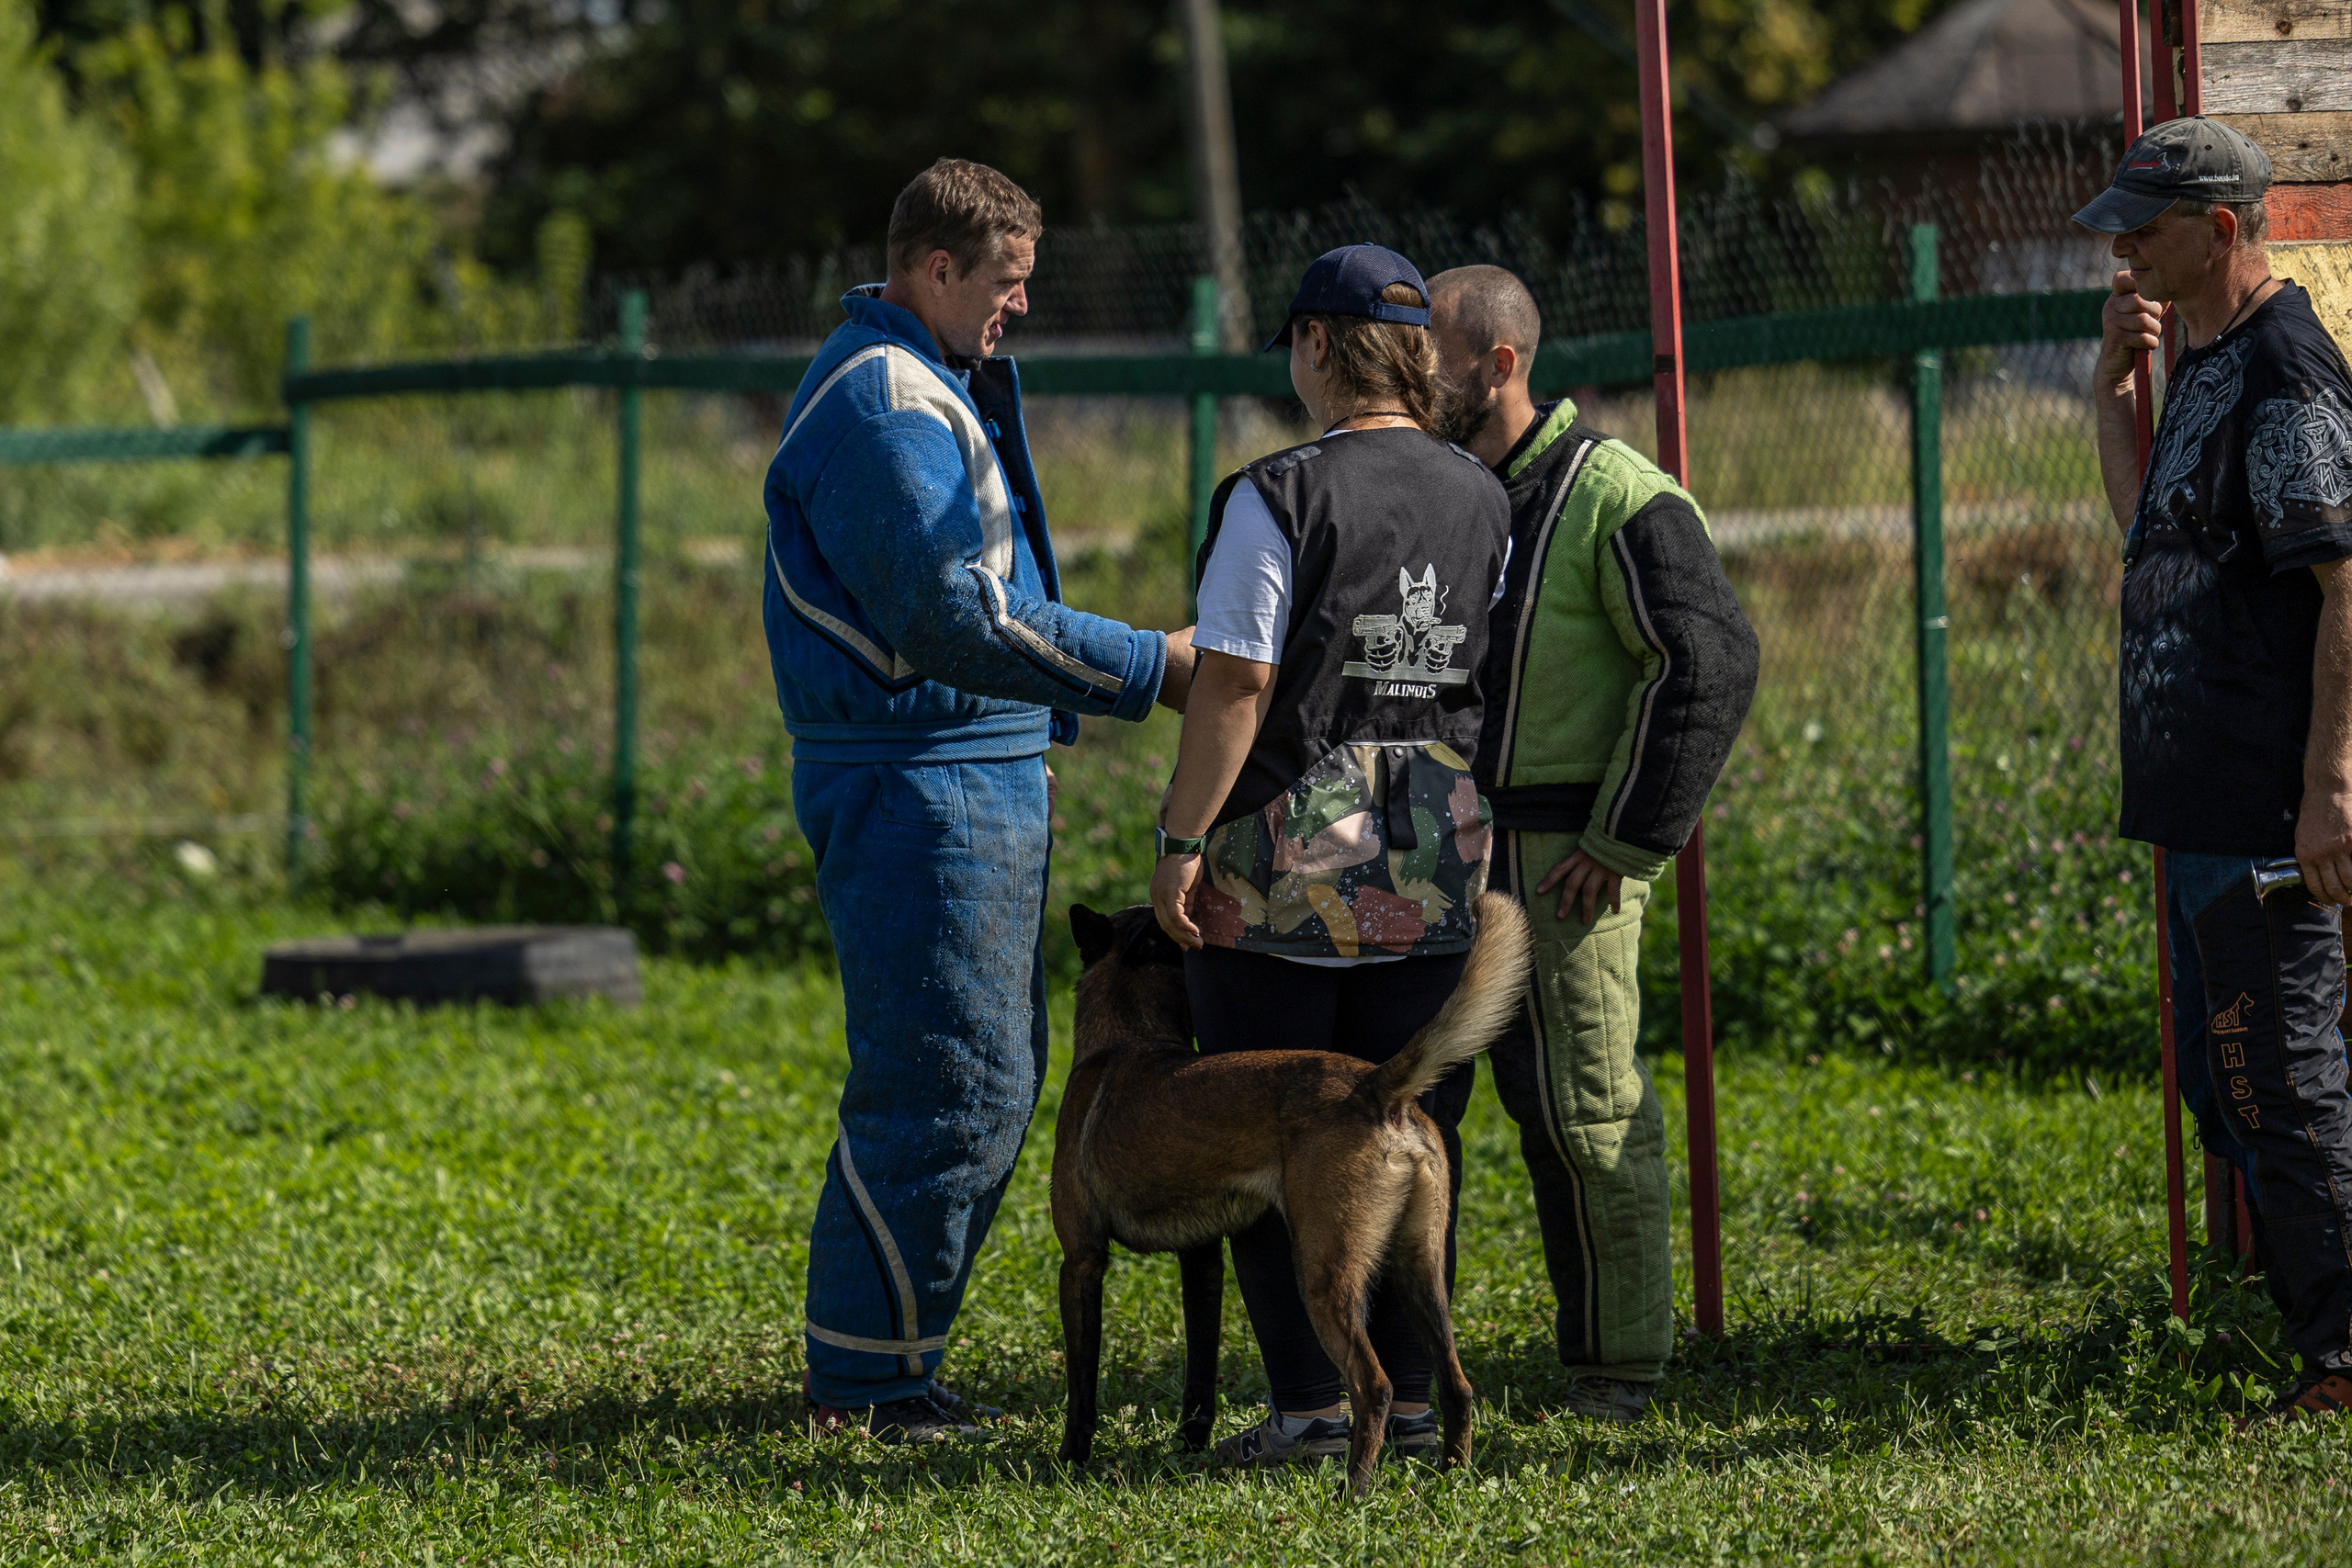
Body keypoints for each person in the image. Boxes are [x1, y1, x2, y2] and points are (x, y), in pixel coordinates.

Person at [763, 157, 1193, 1442]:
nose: (1020, 310)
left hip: (966, 770)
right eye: (1007, 285)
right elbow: (951, 614)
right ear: (935, 269)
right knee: (940, 1080)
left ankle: (895, 1363)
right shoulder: (885, 401)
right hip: (920, 782)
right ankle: (868, 1385)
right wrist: (1146, 664)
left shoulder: (926, 379)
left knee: (986, 1075)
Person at [1149, 243, 1510, 1468]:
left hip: (1285, 871)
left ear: (1314, 345)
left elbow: (1241, 679)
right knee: (1405, 1123)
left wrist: (1181, 840)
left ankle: (1309, 1403)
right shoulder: (1483, 491)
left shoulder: (1276, 492)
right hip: (1439, 858)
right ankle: (1408, 1398)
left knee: (1267, 1132)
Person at [1425, 265, 1757, 1424]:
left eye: (1432, 357)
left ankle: (1618, 1368)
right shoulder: (1446, 486)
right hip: (1446, 852)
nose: (1414, 379)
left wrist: (1625, 841)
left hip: (1566, 854)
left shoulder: (1619, 492)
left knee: (1582, 1108)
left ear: (1497, 364)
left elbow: (1709, 661)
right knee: (1414, 1112)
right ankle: (1415, 1374)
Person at [2081, 116, 2352, 1424]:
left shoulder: (2286, 370)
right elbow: (2157, 539)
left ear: (2222, 227)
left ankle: (2344, 1359)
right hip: (2196, 806)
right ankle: (2309, 1333)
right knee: (2227, 1083)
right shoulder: (2201, 359)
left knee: (2285, 1084)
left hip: (2261, 804)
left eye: (2146, 225)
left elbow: (2344, 588)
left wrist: (2331, 785)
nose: (2125, 247)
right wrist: (2105, 404)